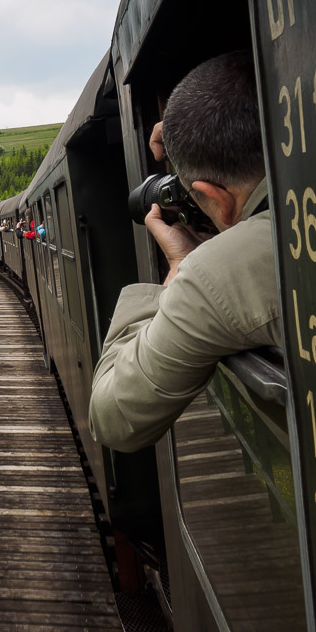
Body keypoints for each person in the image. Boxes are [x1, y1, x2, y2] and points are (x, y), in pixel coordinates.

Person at [88, 51, 280, 453]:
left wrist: (180, 267)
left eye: (198, 199)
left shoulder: (220, 272)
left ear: (215, 198)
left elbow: (112, 417)